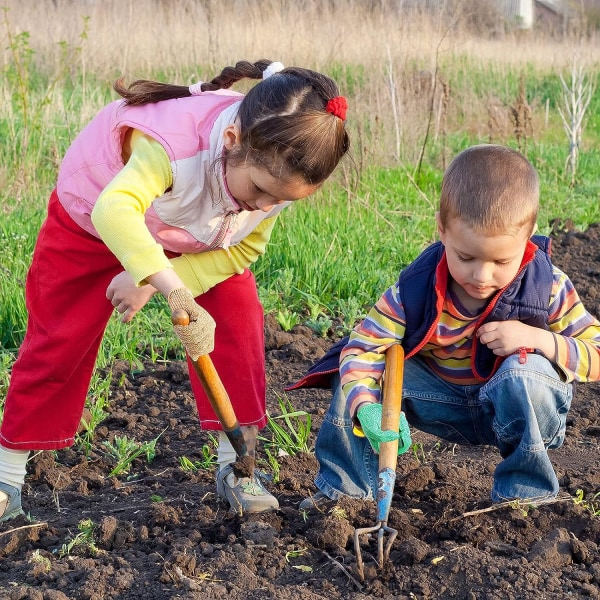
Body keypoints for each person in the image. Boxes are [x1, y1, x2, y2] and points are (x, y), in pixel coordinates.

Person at [0, 59, 350, 521]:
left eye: (280, 200)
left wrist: (157, 279)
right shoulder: (174, 147)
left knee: (238, 319)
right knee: (59, 341)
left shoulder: (276, 170)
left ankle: (238, 469)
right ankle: (6, 475)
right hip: (92, 218)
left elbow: (242, 250)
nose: (266, 206)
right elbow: (115, 212)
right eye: (262, 191)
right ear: (231, 142)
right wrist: (162, 281)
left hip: (193, 238)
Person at [290, 144, 600, 511]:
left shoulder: (546, 285)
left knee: (525, 372)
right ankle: (345, 497)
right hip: (440, 400)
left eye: (501, 260)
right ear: (442, 229)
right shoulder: (415, 289)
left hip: (512, 405)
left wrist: (539, 339)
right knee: (352, 374)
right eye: (466, 257)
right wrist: (365, 406)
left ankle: (523, 500)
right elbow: (363, 348)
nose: (481, 276)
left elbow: (595, 354)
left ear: (529, 234)